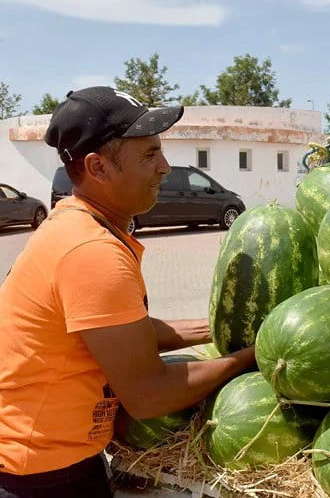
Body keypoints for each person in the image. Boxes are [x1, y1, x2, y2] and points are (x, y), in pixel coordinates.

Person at [0, 87, 255, 497]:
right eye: (149, 156)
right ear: (98, 168)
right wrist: (249, 357)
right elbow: (149, 395)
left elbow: (123, 329)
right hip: (41, 476)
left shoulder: (75, 225)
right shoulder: (91, 253)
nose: (166, 168)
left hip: (47, 461)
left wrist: (215, 329)